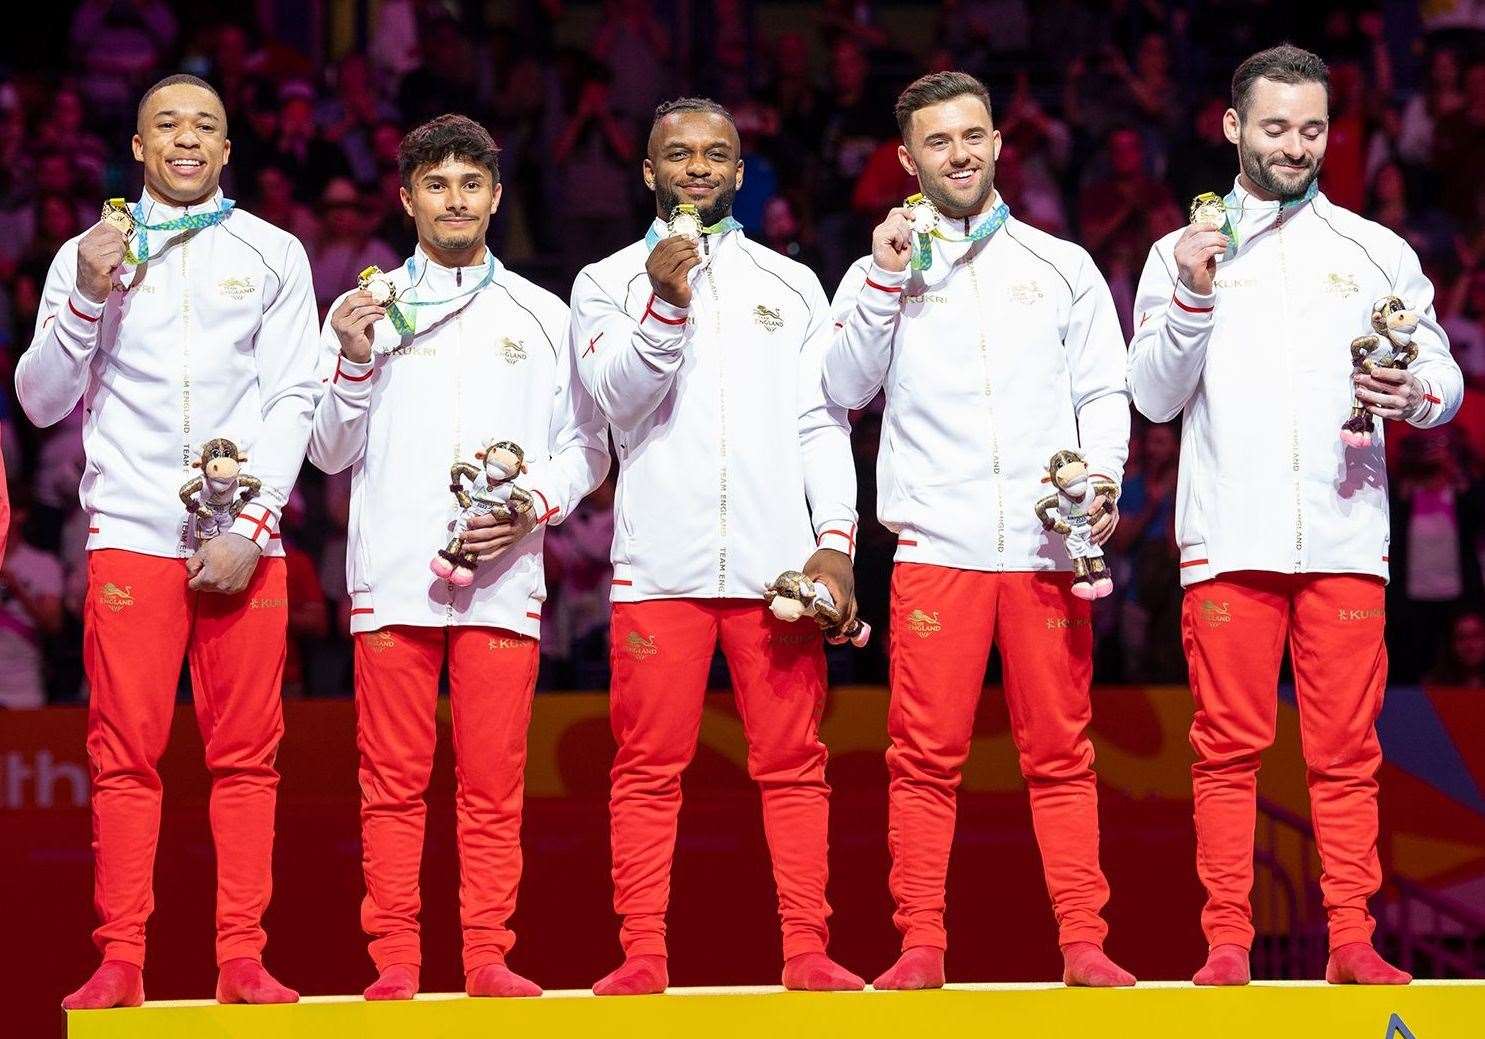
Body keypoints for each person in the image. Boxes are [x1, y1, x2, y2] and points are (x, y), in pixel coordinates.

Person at [1128, 45, 1464, 987]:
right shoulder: (1178, 253)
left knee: (1347, 750)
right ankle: (1226, 940)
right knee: (1225, 750)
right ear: (1232, 127)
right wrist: (1193, 292)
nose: (1294, 145)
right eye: (1274, 127)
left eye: (1311, 128)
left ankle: (1351, 938)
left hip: (1344, 532)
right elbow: (1152, 398)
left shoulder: (1373, 250)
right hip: (1227, 536)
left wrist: (1413, 393)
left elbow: (1439, 372)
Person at [824, 70, 1134, 990]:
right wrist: (884, 279)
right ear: (907, 158)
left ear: (998, 142)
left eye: (972, 136)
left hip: (1046, 549)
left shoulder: (1060, 265)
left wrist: (1103, 484)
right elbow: (841, 389)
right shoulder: (877, 269)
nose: (957, 154)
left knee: (1061, 750)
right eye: (937, 141)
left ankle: (1084, 942)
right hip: (936, 549)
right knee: (921, 758)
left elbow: (1103, 393)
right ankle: (920, 943)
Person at [16, 74, 318, 1008]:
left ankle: (241, 958)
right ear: (138, 148)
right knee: (122, 754)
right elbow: (38, 401)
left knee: (247, 756)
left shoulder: (274, 253)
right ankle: (120, 958)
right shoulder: (89, 254)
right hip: (133, 533)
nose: (187, 140)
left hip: (244, 542)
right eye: (167, 126)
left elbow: (293, 399)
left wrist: (253, 526)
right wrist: (86, 299)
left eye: (207, 127)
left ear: (229, 150)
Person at [309, 114, 609, 1000]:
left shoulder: (543, 315)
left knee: (491, 782)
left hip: (504, 576)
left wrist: (530, 505)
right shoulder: (362, 311)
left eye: (469, 185)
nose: (454, 200)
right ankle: (395, 960)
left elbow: (586, 449)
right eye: (435, 185)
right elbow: (326, 451)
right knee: (392, 784)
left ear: (495, 197)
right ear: (406, 199)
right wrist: (355, 361)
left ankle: (486, 955)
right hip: (393, 575)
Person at [569, 96, 863, 995]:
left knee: (793, 762)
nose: (697, 167)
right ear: (648, 170)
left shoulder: (791, 283)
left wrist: (836, 542)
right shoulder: (603, 282)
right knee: (648, 767)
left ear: (739, 172)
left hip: (777, 570)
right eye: (678, 154)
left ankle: (807, 949)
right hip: (660, 564)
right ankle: (643, 955)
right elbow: (616, 403)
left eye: (716, 154)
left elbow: (822, 422)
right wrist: (663, 302)